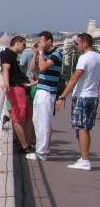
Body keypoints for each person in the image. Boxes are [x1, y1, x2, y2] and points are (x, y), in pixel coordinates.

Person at [56, 33, 99, 171]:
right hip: (93, 96)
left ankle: (85, 161)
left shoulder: (84, 58)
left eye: (77, 43)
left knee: (82, 129)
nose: (76, 46)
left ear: (85, 43)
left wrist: (62, 97)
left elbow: (75, 78)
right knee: (85, 128)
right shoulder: (98, 57)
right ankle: (83, 157)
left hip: (82, 96)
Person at [27, 31, 64, 161]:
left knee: (43, 122)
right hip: (41, 90)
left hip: (48, 92)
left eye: (42, 41)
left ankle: (41, 152)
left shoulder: (56, 54)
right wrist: (36, 53)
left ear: (49, 41)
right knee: (36, 121)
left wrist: (41, 52)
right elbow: (33, 69)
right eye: (39, 41)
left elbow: (42, 68)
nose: (40, 43)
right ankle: (41, 149)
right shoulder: (45, 55)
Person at [0, 36, 35, 154]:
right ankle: (24, 146)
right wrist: (6, 84)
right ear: (17, 43)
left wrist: (28, 84)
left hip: (20, 88)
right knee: (18, 118)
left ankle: (24, 142)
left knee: (27, 116)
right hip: (15, 90)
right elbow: (5, 69)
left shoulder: (13, 56)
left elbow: (13, 73)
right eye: (23, 45)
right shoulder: (7, 54)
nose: (24, 48)